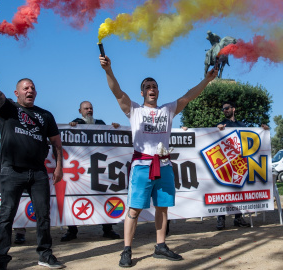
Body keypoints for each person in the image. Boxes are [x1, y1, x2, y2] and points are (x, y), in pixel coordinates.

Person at [99, 54, 218, 267]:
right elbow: (117, 91)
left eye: (154, 86)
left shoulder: (168, 110)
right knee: (134, 209)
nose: (151, 88)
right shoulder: (134, 109)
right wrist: (108, 70)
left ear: (158, 91)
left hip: (164, 165)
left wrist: (207, 80)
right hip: (142, 166)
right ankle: (127, 250)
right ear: (142, 92)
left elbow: (189, 96)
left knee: (162, 208)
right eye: (147, 86)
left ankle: (160, 246)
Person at [0, 54, 65, 269]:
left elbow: (56, 144)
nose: (30, 91)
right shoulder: (8, 108)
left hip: (37, 173)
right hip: (11, 171)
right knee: (6, 216)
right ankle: (2, 260)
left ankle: (45, 255)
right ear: (17, 93)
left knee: (43, 216)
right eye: (25, 88)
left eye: (33, 88)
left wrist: (59, 168)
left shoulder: (46, 115)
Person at [61, 100, 121, 242]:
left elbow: (110, 139)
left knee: (104, 196)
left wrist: (115, 127)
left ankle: (108, 229)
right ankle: (72, 230)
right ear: (80, 111)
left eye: (91, 108)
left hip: (98, 169)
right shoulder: (75, 123)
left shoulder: (100, 122)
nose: (89, 110)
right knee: (73, 196)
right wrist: (71, 127)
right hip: (80, 171)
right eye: (86, 108)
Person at [215, 101, 269, 230]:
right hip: (226, 162)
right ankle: (221, 219)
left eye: (227, 108)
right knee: (223, 190)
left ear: (233, 109)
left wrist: (263, 130)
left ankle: (238, 218)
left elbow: (251, 138)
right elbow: (213, 137)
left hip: (239, 162)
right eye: (223, 109)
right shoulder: (222, 124)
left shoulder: (242, 125)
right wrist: (217, 129)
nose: (225, 110)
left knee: (239, 191)